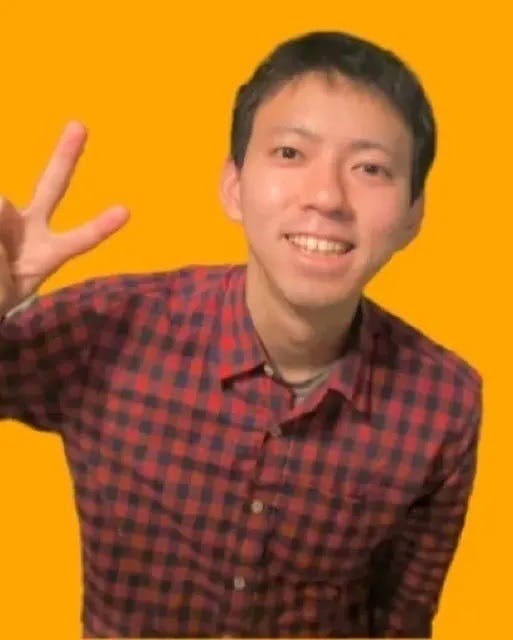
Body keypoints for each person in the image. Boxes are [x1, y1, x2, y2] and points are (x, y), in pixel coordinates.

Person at [0, 30, 482, 638]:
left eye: (371, 168)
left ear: (414, 215)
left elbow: (403, 620)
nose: (327, 196)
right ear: (234, 187)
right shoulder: (109, 328)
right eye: (291, 153)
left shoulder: (445, 403)